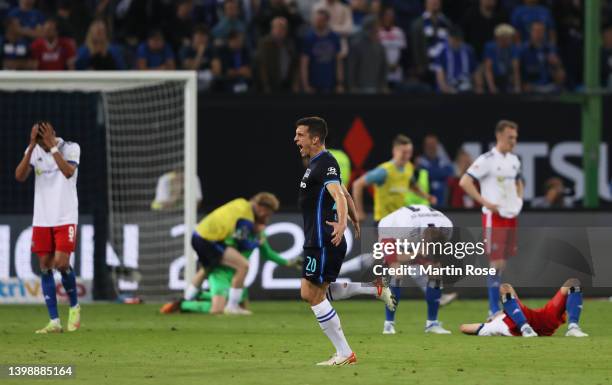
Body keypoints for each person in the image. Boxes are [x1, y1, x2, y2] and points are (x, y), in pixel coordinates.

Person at [294, 116, 359, 365]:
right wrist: (353, 217)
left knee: (310, 293)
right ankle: (344, 353)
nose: (296, 139)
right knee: (316, 293)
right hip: (317, 237)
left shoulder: (324, 163)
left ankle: (344, 352)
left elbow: (338, 196)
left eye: (300, 134)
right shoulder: (318, 164)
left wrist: (343, 223)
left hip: (321, 238)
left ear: (315, 138)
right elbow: (344, 193)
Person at [14, 121, 81, 334]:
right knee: (44, 266)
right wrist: (31, 146)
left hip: (65, 215)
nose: (42, 145)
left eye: (43, 140)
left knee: (61, 263)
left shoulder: (71, 148)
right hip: (42, 218)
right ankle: (54, 321)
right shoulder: (34, 150)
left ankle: (74, 306)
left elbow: (68, 172)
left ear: (52, 134)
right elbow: (19, 176)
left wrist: (52, 148)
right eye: (39, 141)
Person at [459, 120, 523, 318]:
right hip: (494, 217)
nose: (513, 141)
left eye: (515, 137)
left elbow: (519, 181)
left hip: (510, 216)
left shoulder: (514, 160)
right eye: (510, 137)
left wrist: (519, 200)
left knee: (502, 263)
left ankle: (497, 308)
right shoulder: (487, 159)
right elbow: (465, 181)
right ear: (499, 135)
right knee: (495, 262)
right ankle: (493, 310)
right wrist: (484, 201)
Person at [161, 222, 297, 314]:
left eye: (265, 222)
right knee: (217, 310)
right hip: (221, 273)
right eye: (261, 222)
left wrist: (289, 262)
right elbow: (225, 250)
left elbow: (268, 254)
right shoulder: (239, 233)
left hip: (238, 277)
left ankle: (202, 295)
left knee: (243, 308)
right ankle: (183, 305)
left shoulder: (261, 235)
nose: (263, 226)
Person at [190, 193, 279, 315]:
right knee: (243, 266)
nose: (267, 217)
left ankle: (187, 299)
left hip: (197, 234)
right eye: (267, 213)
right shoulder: (247, 218)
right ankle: (232, 306)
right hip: (210, 240)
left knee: (207, 269)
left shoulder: (240, 202)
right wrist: (257, 242)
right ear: (261, 208)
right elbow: (242, 242)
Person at [377, 204, 454, 335]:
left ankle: (432, 324)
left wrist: (430, 259)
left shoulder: (447, 227)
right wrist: (416, 253)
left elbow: (437, 253)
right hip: (390, 230)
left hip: (417, 229)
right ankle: (388, 324)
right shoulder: (404, 229)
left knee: (435, 271)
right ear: (422, 239)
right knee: (397, 272)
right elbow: (397, 257)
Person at [460, 278, 588, 337]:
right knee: (504, 287)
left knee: (573, 283)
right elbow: (464, 328)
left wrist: (495, 314)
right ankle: (525, 328)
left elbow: (464, 327)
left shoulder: (499, 318)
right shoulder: (494, 326)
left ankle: (573, 327)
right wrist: (491, 320)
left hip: (539, 318)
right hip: (518, 325)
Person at [352, 134, 435, 224]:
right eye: (404, 152)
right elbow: (357, 185)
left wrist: (427, 196)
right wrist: (359, 211)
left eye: (409, 152)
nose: (407, 156)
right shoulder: (384, 171)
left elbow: (412, 185)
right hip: (383, 222)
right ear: (395, 151)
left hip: (400, 221)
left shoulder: (409, 167)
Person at [300, 9, 343, 93]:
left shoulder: (334, 37)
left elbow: (339, 62)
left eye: (320, 20)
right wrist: (305, 85)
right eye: (316, 20)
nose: (317, 22)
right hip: (313, 84)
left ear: (326, 21)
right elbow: (304, 63)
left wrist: (340, 83)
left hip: (330, 83)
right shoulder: (309, 38)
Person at [410, 0, 452, 87]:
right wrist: (420, 66)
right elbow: (415, 48)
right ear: (426, 2)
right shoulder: (418, 24)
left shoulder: (447, 23)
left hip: (444, 71)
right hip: (425, 71)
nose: (435, 2)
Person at [255, 17, 299, 93]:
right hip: (270, 87)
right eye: (277, 28)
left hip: (287, 85)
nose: (280, 30)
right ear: (272, 29)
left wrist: (295, 84)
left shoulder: (289, 44)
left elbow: (295, 64)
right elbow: (262, 66)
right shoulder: (264, 43)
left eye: (283, 28)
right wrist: (266, 86)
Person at [519, 21, 565, 93]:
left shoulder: (550, 49)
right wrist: (522, 84)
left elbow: (561, 74)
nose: (539, 33)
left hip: (550, 86)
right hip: (531, 86)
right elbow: (517, 70)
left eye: (541, 31)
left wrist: (557, 64)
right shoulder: (523, 49)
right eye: (536, 30)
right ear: (530, 32)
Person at [347, 15, 388, 94]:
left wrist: (383, 85)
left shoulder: (380, 46)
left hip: (377, 87)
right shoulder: (356, 45)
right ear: (370, 28)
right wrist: (352, 86)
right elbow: (351, 68)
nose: (378, 28)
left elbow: (384, 67)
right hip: (360, 88)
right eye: (376, 26)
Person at [434, 27, 479, 94]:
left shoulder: (469, 50)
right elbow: (439, 75)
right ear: (449, 38)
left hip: (466, 86)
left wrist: (479, 86)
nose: (455, 41)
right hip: (448, 88)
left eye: (457, 39)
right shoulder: (441, 52)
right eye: (453, 39)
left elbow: (475, 70)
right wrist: (446, 88)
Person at [416, 134, 454, 207]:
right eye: (428, 144)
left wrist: (432, 172)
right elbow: (428, 174)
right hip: (426, 200)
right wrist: (440, 173)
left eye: (433, 144)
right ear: (424, 146)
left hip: (443, 202)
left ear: (437, 145)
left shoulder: (443, 160)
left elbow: (450, 172)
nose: (431, 147)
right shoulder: (420, 160)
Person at [483, 23, 521, 94]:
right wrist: (492, 87)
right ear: (498, 38)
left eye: (508, 38)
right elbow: (488, 69)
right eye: (503, 38)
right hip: (494, 77)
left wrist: (517, 86)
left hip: (507, 78)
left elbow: (516, 69)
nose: (506, 40)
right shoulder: (490, 47)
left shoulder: (513, 48)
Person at [378, 7, 407, 90]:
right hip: (381, 70)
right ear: (383, 17)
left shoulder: (399, 32)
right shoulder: (378, 33)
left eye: (391, 16)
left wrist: (396, 64)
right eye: (387, 15)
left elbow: (403, 51)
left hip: (396, 71)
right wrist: (385, 64)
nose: (388, 18)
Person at [180, 25, 215, 91]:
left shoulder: (211, 49)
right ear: (193, 37)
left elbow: (217, 71)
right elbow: (192, 68)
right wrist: (200, 53)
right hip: (189, 83)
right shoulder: (186, 50)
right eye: (199, 36)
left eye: (204, 36)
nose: (201, 39)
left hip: (208, 84)